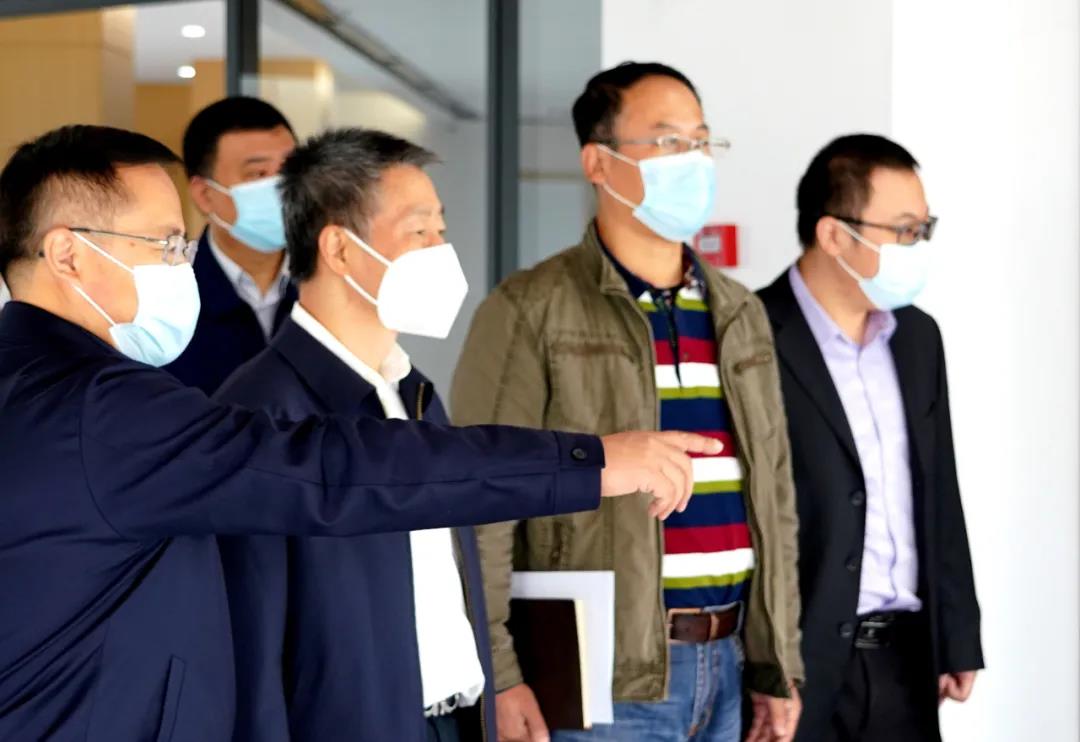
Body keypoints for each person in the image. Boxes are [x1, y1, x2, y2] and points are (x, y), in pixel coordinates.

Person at [0, 124, 718, 742]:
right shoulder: (102, 406)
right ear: (68, 254)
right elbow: (334, 474)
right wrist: (591, 461)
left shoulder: (37, 385)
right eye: (164, 245)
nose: (182, 266)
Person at [452, 62, 804, 742]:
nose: (694, 161)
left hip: (730, 666)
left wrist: (776, 663)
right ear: (598, 162)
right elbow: (481, 497)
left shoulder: (740, 312)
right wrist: (499, 672)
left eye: (702, 141)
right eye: (669, 142)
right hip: (601, 679)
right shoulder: (530, 308)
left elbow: (775, 499)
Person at [217, 128, 509, 742]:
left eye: (441, 229)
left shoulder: (414, 392)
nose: (441, 251)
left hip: (454, 720)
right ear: (339, 249)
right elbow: (248, 646)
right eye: (419, 231)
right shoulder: (262, 413)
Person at [757, 134, 983, 742]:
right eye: (905, 230)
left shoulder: (916, 337)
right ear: (834, 235)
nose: (918, 247)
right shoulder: (751, 334)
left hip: (906, 659)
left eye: (923, 230)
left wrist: (958, 633)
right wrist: (763, 664)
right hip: (796, 667)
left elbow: (938, 488)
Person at [164, 97, 297, 394]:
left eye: (291, 168)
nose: (284, 187)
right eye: (259, 174)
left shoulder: (334, 284)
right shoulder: (169, 305)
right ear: (205, 195)